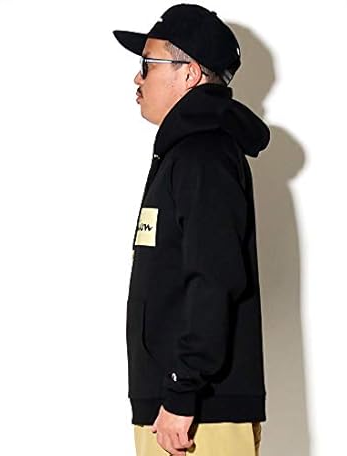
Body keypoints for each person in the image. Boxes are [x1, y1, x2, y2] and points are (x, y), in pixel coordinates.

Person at [112, 4, 270, 455]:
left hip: (198, 412)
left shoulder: (204, 156)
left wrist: (182, 391)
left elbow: (215, 278)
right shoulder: (184, 153)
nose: (137, 77)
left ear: (189, 73)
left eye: (148, 63)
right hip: (178, 406)